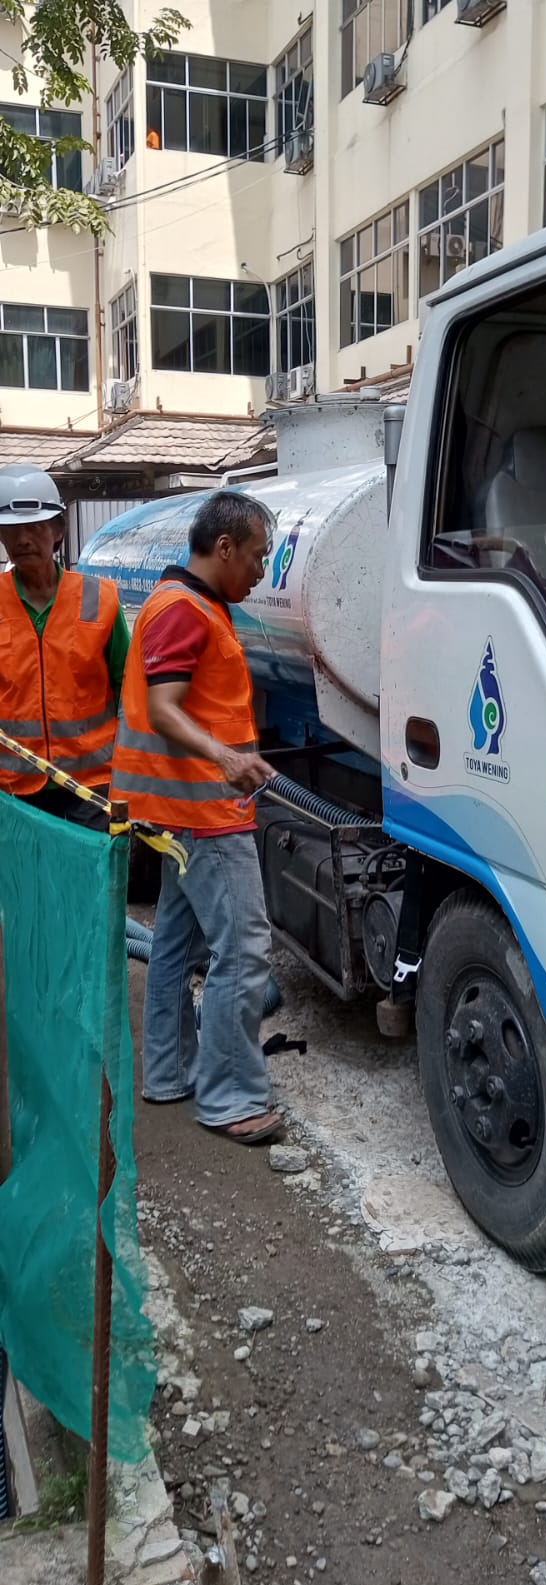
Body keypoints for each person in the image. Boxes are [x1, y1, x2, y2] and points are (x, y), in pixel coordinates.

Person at [110, 490, 285, 1145]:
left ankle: (170, 1070)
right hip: (204, 812)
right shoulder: (184, 610)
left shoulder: (185, 602)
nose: (262, 572)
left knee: (175, 948)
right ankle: (231, 1096)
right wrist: (227, 759)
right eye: (258, 558)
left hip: (172, 810)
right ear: (224, 548)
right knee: (242, 949)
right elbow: (164, 706)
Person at [0, 463, 129, 829]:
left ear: (58, 531)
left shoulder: (100, 598)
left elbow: (128, 686)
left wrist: (131, 771)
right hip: (14, 790)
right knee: (26, 886)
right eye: (12, 529)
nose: (24, 539)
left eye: (36, 527)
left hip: (91, 789)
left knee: (89, 885)